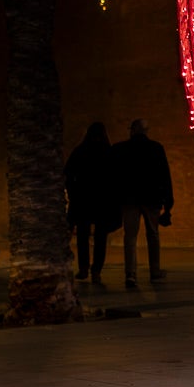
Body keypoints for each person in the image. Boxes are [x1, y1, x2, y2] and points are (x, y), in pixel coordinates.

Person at [113, 118, 174, 289]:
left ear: (132, 130)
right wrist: (168, 203)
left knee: (130, 236)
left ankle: (130, 273)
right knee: (153, 235)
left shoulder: (120, 150)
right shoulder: (156, 148)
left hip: (129, 199)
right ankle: (154, 271)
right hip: (152, 199)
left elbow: (115, 177)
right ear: (146, 131)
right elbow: (165, 176)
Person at [64, 122, 119, 287]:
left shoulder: (80, 151)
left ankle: (84, 268)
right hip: (102, 200)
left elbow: (68, 174)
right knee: (100, 237)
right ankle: (96, 271)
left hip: (83, 199)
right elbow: (115, 178)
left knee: (82, 235)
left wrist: (74, 192)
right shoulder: (108, 152)